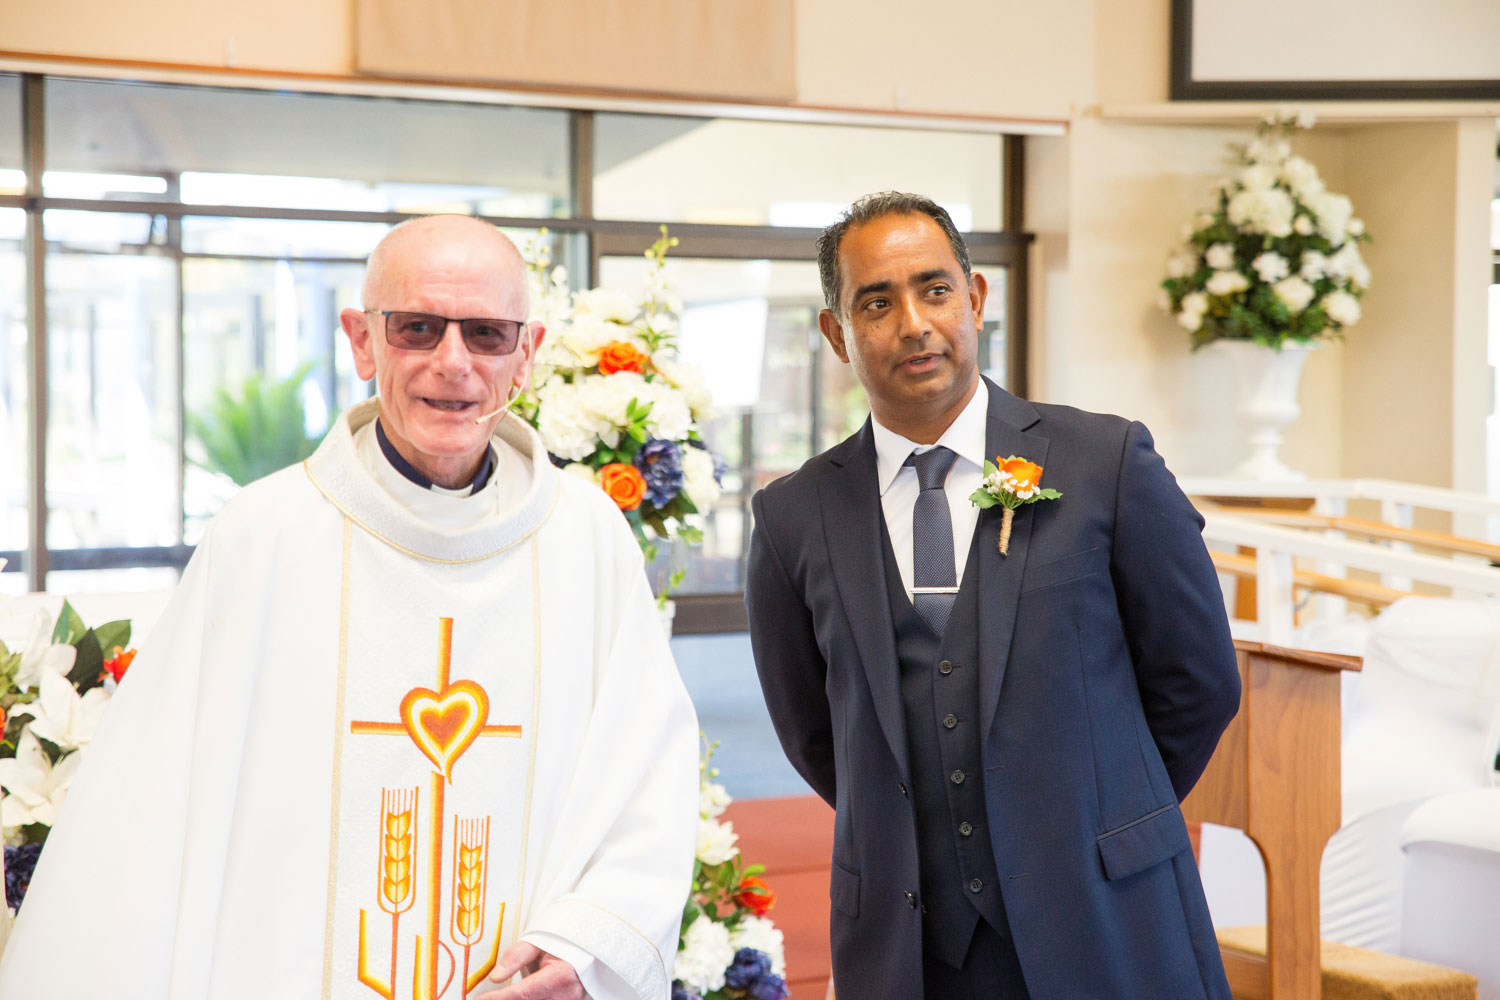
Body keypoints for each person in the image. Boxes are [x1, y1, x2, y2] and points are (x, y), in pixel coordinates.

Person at [0, 215, 699, 999]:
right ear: (363, 341)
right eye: (419, 328)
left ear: (526, 354)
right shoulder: (266, 535)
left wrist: (588, 941)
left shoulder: (586, 537)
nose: (453, 362)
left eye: (487, 334)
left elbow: (649, 775)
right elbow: (152, 801)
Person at [745, 192, 1241, 999]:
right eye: (876, 302)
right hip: (912, 949)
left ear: (975, 300)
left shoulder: (1103, 462)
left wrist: (1097, 813)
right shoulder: (793, 516)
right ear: (838, 334)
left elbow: (1198, 683)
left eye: (934, 289)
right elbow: (815, 734)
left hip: (1105, 917)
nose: (912, 322)